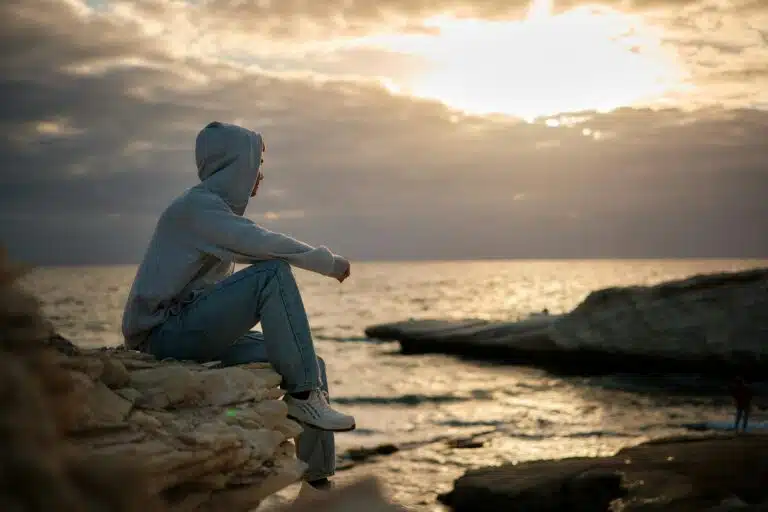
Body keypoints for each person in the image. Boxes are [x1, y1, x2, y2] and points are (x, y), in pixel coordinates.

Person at [121, 121, 355, 490]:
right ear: (235, 166)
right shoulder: (196, 208)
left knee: (311, 364)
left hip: (190, 331)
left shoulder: (214, 211)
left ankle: (318, 486)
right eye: (256, 163)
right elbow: (262, 244)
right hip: (163, 334)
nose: (260, 174)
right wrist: (328, 262)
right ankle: (304, 397)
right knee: (272, 274)